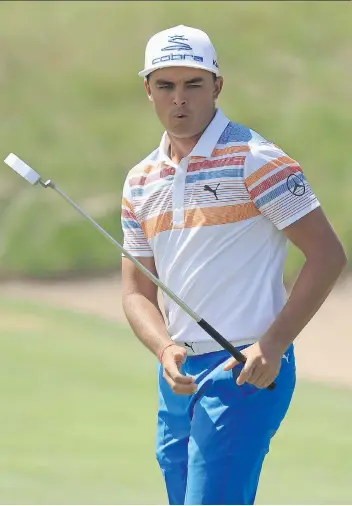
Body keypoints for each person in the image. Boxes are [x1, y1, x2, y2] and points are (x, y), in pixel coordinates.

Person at [120, 25, 347, 505]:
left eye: (193, 84)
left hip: (244, 367)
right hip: (178, 376)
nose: (179, 99)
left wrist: (274, 345)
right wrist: (163, 349)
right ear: (149, 90)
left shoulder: (257, 160)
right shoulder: (140, 181)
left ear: (217, 86)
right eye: (166, 85)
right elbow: (136, 292)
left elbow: (327, 255)